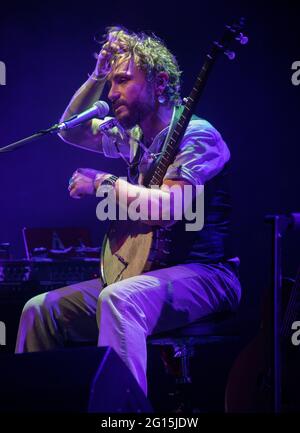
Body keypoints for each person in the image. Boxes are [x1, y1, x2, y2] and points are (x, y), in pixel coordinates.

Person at [15, 26, 241, 397]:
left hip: (207, 275)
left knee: (118, 299)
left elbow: (170, 208)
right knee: (40, 311)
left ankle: (123, 415)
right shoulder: (132, 137)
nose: (113, 93)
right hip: (145, 275)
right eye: (110, 83)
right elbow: (69, 132)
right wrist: (96, 75)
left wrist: (104, 185)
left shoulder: (198, 137)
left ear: (160, 82)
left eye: (122, 80)